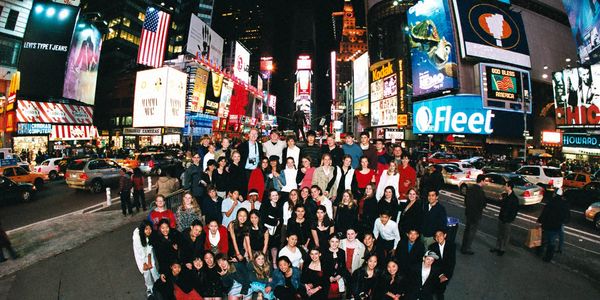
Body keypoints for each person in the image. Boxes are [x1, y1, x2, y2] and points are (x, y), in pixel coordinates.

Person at [536, 188, 570, 262]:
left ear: (555, 194)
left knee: (542, 239)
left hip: (547, 225)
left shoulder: (551, 202)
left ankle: (539, 252)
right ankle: (548, 258)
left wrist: (539, 221)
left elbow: (545, 213)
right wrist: (561, 222)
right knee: (552, 242)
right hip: (556, 227)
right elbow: (567, 217)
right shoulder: (564, 204)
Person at [461, 175, 488, 255]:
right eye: (485, 181)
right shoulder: (481, 192)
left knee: (467, 230)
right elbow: (483, 204)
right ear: (482, 181)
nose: (485, 183)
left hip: (469, 213)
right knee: (472, 232)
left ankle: (464, 246)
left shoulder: (470, 189)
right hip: (476, 215)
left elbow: (466, 201)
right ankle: (467, 248)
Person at [490, 181, 519, 256]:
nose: (504, 187)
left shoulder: (514, 198)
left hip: (507, 220)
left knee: (505, 235)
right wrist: (500, 200)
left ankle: (502, 249)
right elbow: (501, 205)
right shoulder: (505, 195)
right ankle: (497, 247)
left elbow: (515, 211)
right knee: (499, 233)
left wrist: (510, 219)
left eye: (506, 186)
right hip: (501, 217)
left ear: (509, 187)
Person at [132, 220, 160, 297]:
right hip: (140, 255)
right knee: (146, 272)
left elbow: (149, 247)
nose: (149, 231)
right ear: (142, 229)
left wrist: (149, 261)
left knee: (153, 268)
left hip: (148, 253)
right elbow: (140, 252)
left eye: (150, 229)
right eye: (146, 229)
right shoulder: (136, 237)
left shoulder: (151, 234)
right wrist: (144, 263)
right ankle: (149, 287)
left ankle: (159, 283)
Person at [428, 230, 456, 300]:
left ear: (445, 235)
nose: (438, 237)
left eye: (440, 235)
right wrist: (440, 275)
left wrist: (446, 276)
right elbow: (434, 263)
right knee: (431, 291)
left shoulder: (452, 246)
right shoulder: (432, 247)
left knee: (440, 292)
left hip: (446, 273)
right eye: (436, 236)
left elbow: (452, 263)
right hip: (436, 272)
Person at [322, 234, 350, 299]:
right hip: (328, 276)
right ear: (329, 241)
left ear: (339, 242)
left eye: (337, 242)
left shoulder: (342, 252)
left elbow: (343, 266)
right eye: (332, 241)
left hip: (339, 275)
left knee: (343, 291)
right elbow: (323, 267)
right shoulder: (324, 252)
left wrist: (339, 275)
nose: (334, 244)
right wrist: (329, 276)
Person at [260, 190, 283, 265]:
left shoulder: (279, 205)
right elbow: (263, 218)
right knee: (265, 247)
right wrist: (275, 222)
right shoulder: (265, 205)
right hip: (265, 230)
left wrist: (277, 222)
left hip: (275, 231)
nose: (275, 197)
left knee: (274, 247)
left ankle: (274, 262)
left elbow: (280, 218)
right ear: (270, 197)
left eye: (276, 195)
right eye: (273, 195)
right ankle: (264, 263)